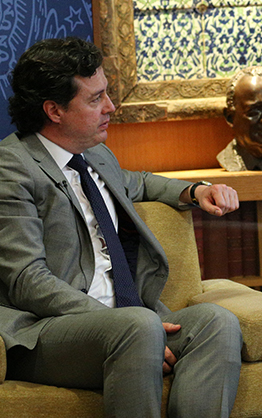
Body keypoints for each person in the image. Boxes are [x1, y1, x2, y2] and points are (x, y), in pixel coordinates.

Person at [0, 37, 243, 417]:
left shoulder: (95, 155)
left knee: (217, 323)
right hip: (47, 332)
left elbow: (140, 182)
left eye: (107, 94)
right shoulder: (12, 168)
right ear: (54, 110)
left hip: (131, 322)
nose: (111, 108)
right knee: (139, 327)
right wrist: (121, 323)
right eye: (95, 99)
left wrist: (197, 191)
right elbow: (27, 279)